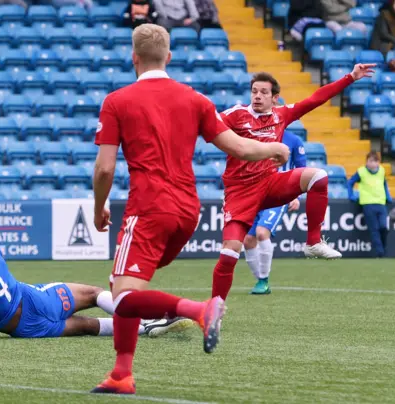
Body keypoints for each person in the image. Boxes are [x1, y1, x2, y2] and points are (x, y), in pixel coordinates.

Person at [89, 23, 290, 395]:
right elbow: (240, 148)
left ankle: (199, 311)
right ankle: (120, 374)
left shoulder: (118, 101)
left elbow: (104, 169)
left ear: (133, 58)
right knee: (124, 284)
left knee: (123, 297)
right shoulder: (194, 99)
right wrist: (274, 150)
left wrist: (99, 207)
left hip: (149, 208)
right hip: (187, 212)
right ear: (169, 57)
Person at [210, 65, 375, 304]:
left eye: (263, 92)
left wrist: (350, 77)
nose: (257, 96)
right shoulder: (236, 114)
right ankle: (215, 310)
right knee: (228, 253)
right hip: (239, 192)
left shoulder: (282, 115)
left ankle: (313, 242)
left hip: (269, 183)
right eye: (254, 91)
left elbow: (316, 98)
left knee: (318, 176)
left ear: (275, 98)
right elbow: (208, 121)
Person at [0, 229, 193, 340]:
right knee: (95, 294)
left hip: (27, 324)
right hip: (36, 298)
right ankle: (153, 319)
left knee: (85, 324)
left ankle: (147, 328)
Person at [243, 130, 306, 295]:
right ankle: (261, 279)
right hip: (255, 195)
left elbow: (301, 170)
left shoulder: (293, 140)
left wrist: (295, 195)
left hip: (279, 194)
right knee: (248, 240)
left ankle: (263, 281)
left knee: (262, 233)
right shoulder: (255, 136)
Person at [346, 152, 392, 258]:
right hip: (368, 203)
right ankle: (380, 253)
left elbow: (384, 184)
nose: (373, 164)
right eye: (371, 161)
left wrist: (388, 196)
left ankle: (383, 248)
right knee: (374, 229)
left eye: (375, 161)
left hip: (381, 203)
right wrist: (351, 195)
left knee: (383, 227)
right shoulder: (361, 172)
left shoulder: (381, 170)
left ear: (378, 162)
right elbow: (350, 183)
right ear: (366, 162)